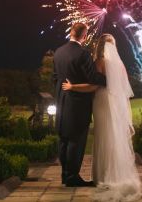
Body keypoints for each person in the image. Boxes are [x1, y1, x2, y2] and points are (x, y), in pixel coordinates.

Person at [62, 33, 142, 201]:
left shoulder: (100, 62)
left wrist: (73, 86)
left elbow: (93, 86)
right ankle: (117, 173)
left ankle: (104, 175)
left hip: (102, 101)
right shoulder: (120, 65)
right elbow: (123, 87)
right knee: (114, 135)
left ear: (100, 46)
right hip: (116, 101)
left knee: (103, 135)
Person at [53, 23, 106, 187]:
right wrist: (110, 80)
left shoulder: (58, 52)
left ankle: (65, 175)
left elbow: (55, 78)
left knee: (64, 140)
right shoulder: (83, 54)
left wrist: (62, 94)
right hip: (78, 105)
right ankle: (72, 177)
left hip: (62, 102)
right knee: (76, 140)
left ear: (71, 32)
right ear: (84, 35)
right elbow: (92, 78)